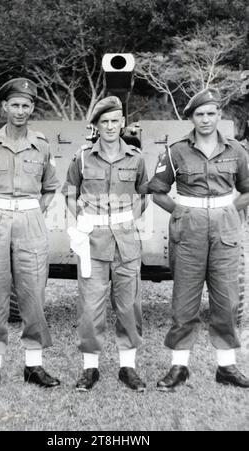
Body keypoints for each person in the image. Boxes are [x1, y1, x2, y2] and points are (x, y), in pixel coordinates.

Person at [142, 88, 249, 391]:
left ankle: (226, 366)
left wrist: (230, 210)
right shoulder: (176, 152)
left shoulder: (237, 151)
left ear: (219, 115)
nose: (205, 119)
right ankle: (179, 367)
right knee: (184, 302)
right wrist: (181, 212)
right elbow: (158, 190)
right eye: (199, 114)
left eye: (211, 113)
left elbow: (247, 189)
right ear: (190, 117)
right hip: (188, 234)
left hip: (224, 234)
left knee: (226, 300)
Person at [0, 78, 61, 396]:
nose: (20, 110)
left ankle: (34, 365)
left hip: (31, 221)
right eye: (15, 104)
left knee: (33, 297)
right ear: (5, 107)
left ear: (32, 108)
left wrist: (34, 214)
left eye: (26, 105)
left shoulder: (42, 144)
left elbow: (50, 186)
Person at [62, 96, 148, 392]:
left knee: (129, 306)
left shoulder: (136, 157)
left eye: (115, 120)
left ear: (123, 122)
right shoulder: (82, 156)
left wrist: (128, 221)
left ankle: (128, 367)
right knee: (90, 307)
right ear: (96, 126)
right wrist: (83, 221)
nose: (110, 126)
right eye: (104, 122)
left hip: (125, 244)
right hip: (93, 244)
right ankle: (90, 369)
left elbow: (144, 196)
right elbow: (70, 194)